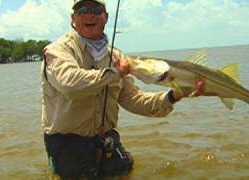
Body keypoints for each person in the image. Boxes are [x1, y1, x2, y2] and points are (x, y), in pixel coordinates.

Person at [41, 0, 199, 179]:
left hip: (107, 139)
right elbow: (71, 85)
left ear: (106, 17)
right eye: (82, 10)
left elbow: (134, 100)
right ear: (73, 18)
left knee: (126, 171)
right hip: (67, 144)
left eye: (97, 9)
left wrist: (174, 95)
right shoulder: (58, 51)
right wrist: (115, 72)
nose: (90, 14)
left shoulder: (117, 57)